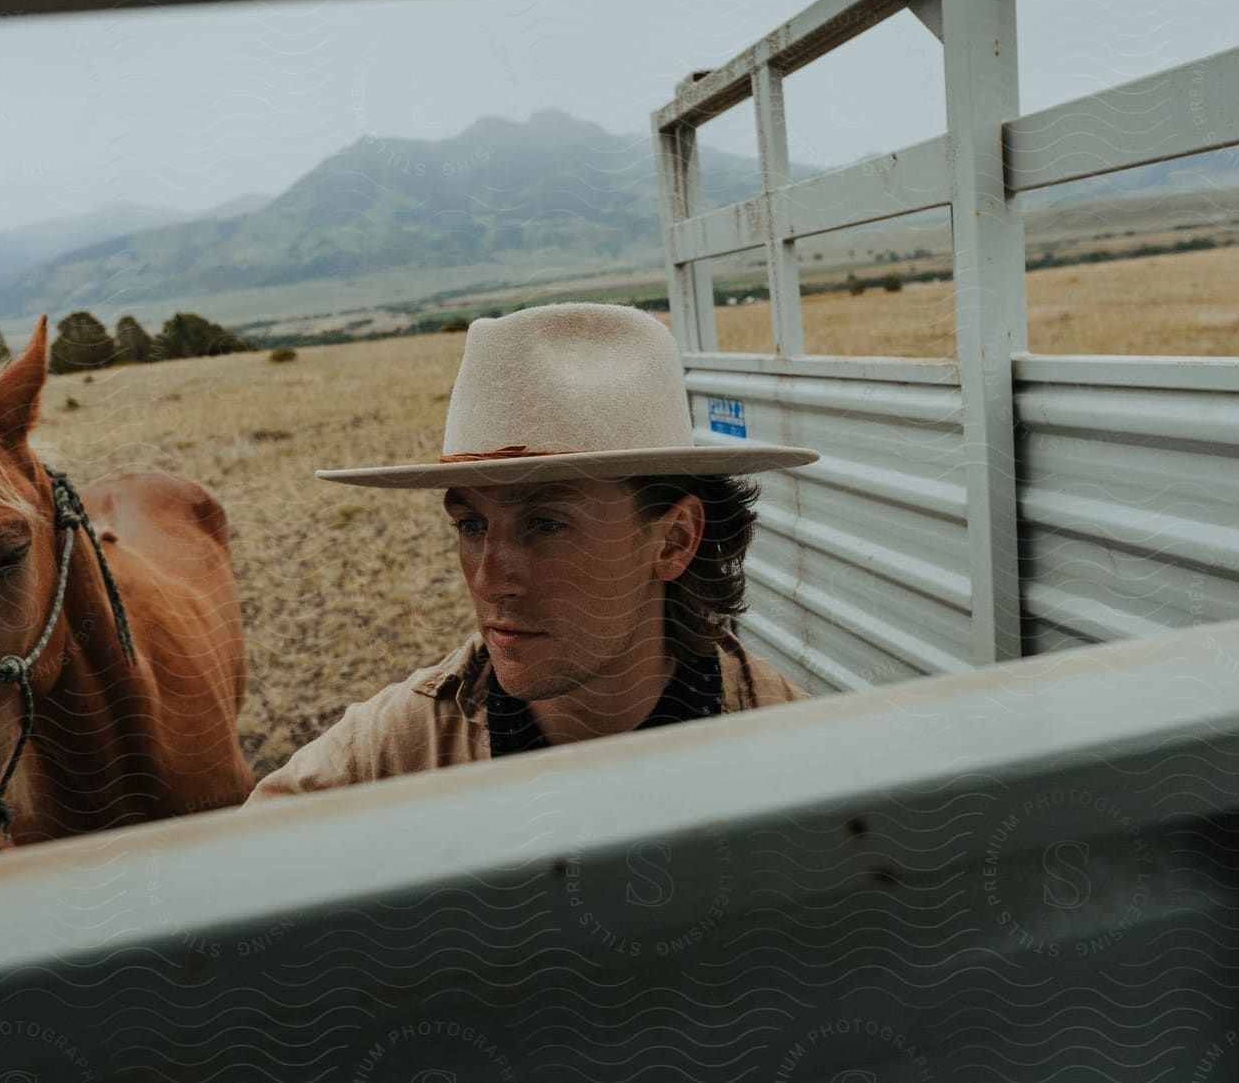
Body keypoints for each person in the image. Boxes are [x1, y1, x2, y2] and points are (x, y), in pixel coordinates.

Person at [250, 302, 819, 799]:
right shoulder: (387, 759)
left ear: (674, 540)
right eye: (471, 525)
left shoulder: (804, 756)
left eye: (545, 524)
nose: (490, 580)